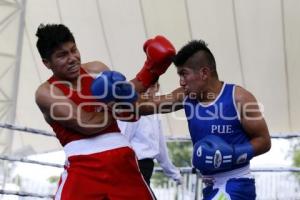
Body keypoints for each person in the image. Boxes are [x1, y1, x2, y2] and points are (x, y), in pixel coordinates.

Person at [34, 23, 175, 200]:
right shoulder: (46, 92)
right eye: (62, 55)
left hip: (123, 162)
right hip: (84, 169)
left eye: (73, 50)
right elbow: (88, 123)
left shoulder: (96, 69)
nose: (72, 58)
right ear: (47, 63)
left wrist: (152, 70)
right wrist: (122, 99)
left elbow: (129, 99)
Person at [134, 40, 271, 200]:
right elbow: (142, 107)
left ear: (204, 73)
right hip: (210, 186)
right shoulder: (185, 96)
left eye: (184, 74)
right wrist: (150, 72)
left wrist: (233, 154)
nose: (181, 82)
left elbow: (264, 141)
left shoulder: (239, 98)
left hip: (237, 184)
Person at [117, 82, 182, 188]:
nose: (147, 90)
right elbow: (122, 141)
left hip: (147, 167)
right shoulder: (134, 110)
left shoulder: (156, 115)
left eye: (151, 86)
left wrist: (175, 174)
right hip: (134, 167)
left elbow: (161, 148)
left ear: (157, 88)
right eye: (144, 86)